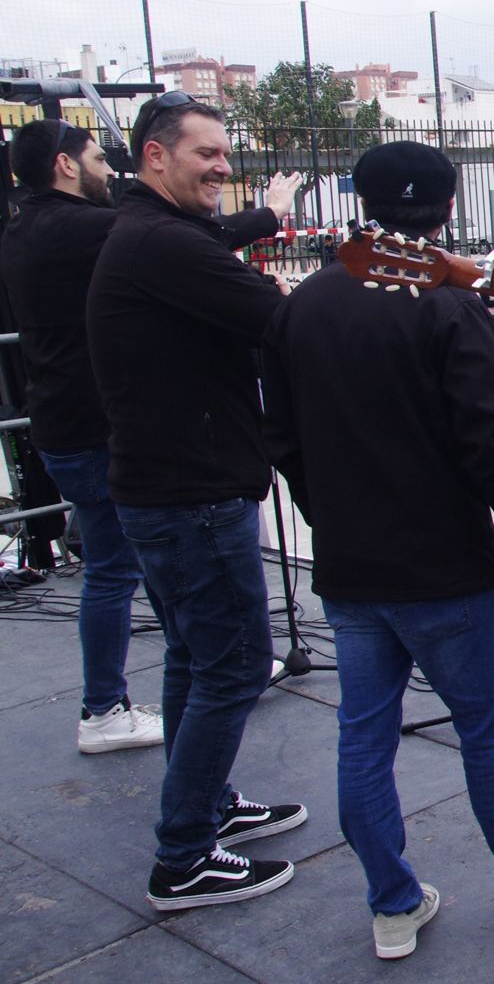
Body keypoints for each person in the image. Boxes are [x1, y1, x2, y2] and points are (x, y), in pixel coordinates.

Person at [259, 141, 494, 954]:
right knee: (488, 731)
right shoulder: (447, 306)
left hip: (349, 568)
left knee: (363, 734)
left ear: (360, 202)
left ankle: (392, 903)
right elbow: (490, 440)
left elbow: (280, 437)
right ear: (449, 212)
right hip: (446, 569)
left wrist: (328, 515)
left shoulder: (302, 305)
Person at [84, 93, 308, 910]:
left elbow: (213, 245)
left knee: (193, 656)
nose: (221, 164)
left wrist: (262, 218)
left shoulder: (151, 233)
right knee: (236, 663)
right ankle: (183, 854)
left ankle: (205, 805)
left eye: (225, 151)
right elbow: (276, 318)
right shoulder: (161, 244)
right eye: (206, 153)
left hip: (167, 490)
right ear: (153, 156)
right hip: (193, 496)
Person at [1, 118, 215, 754]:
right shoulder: (79, 226)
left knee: (126, 561)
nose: (108, 171)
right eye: (96, 158)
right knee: (119, 567)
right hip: (91, 427)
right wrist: (271, 215)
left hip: (60, 420)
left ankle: (181, 671)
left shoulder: (22, 225)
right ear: (66, 166)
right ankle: (104, 709)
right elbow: (180, 235)